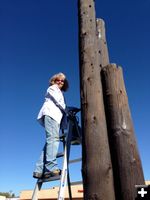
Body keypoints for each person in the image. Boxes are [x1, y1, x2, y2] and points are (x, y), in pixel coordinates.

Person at [33, 72, 69, 179]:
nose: (60, 82)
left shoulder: (59, 92)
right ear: (54, 80)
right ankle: (51, 167)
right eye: (58, 79)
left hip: (55, 117)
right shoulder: (53, 88)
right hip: (51, 114)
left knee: (50, 141)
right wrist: (67, 110)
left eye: (62, 81)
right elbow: (58, 102)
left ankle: (38, 170)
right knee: (53, 140)